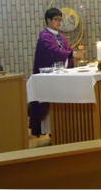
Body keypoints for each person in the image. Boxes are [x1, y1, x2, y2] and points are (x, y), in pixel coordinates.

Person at [29, 8, 82, 136]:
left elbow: (67, 51)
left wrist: (72, 56)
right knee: (48, 102)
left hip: (61, 75)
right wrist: (71, 53)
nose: (59, 22)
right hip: (48, 77)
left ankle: (62, 128)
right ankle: (48, 130)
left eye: (60, 20)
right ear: (48, 20)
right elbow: (53, 51)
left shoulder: (61, 37)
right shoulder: (44, 36)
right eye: (56, 20)